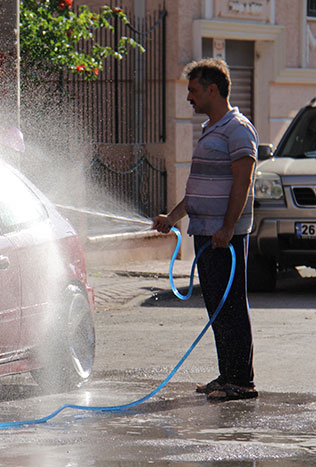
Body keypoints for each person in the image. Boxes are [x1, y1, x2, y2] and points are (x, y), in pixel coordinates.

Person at [153, 57, 258, 401]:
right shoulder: (210, 130)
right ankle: (227, 374)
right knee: (216, 306)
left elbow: (243, 182)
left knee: (231, 307)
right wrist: (172, 217)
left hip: (224, 238)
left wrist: (228, 227)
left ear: (213, 90)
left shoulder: (238, 128)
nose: (189, 97)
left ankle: (241, 381)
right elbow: (197, 189)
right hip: (206, 234)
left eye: (193, 90)